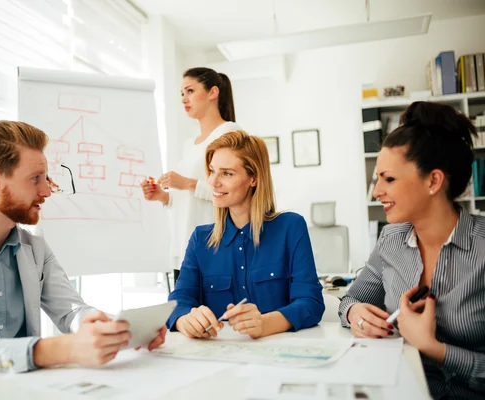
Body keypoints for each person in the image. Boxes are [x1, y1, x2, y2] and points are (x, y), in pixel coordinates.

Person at [0, 121, 166, 400]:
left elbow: (71, 312)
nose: (47, 191)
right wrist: (65, 348)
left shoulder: (33, 244)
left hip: (18, 392)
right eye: (35, 179)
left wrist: (121, 331)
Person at [338, 102, 485, 399]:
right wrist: (355, 314)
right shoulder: (391, 239)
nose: (377, 191)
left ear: (433, 181)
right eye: (377, 178)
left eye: (388, 179)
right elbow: (350, 299)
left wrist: (432, 347)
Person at [166, 130, 324, 339]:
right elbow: (178, 302)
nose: (213, 182)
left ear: (254, 178)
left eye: (227, 173)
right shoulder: (200, 239)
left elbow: (311, 303)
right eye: (212, 171)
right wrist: (184, 319)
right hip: (220, 360)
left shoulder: (290, 227)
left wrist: (265, 323)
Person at [140, 67, 242, 281]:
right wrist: (164, 196)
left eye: (190, 91)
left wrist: (186, 182)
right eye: (182, 93)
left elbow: (234, 191)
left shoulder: (230, 134)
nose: (184, 99)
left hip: (213, 249)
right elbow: (189, 200)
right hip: (184, 249)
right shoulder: (190, 144)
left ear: (212, 92)